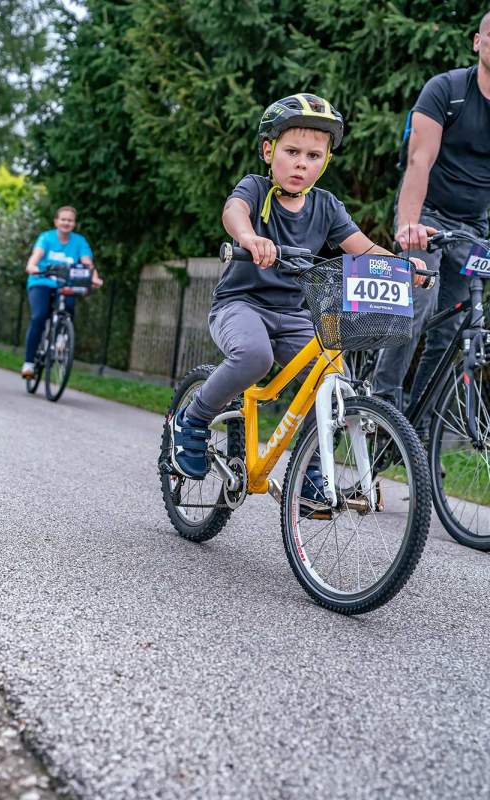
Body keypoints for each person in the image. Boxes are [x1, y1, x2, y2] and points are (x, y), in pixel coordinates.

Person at [171, 94, 428, 492]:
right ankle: (195, 417)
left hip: (294, 314)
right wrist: (249, 237)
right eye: (291, 152)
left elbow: (362, 246)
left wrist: (402, 265)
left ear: (325, 161)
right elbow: (233, 211)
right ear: (268, 150)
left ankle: (308, 470)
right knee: (255, 357)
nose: (301, 163)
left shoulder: (326, 207)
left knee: (332, 378)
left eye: (313, 155)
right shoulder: (256, 189)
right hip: (241, 305)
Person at [373, 11, 490, 413]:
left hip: (474, 227)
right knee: (416, 301)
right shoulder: (447, 90)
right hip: (428, 215)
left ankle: (419, 426)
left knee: (457, 326)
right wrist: (408, 225)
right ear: (477, 41)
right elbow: (419, 161)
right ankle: (382, 408)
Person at [21, 206, 103, 378]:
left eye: (70, 220)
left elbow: (88, 264)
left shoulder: (79, 242)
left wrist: (94, 277)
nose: (66, 223)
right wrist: (32, 266)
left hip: (65, 283)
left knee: (69, 305)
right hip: (41, 280)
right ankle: (29, 363)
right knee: (39, 316)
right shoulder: (46, 238)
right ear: (56, 221)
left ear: (74, 223)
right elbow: (36, 255)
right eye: (63, 219)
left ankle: (61, 338)